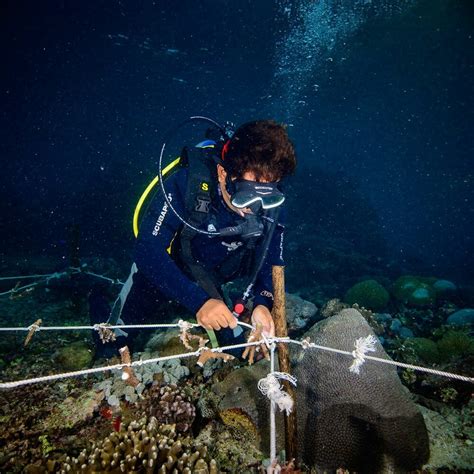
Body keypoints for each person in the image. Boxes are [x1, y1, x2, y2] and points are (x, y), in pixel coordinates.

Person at [90, 119, 297, 358]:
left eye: (268, 196)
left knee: (241, 352)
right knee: (110, 344)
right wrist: (198, 302)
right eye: (247, 195)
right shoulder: (188, 184)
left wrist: (263, 303)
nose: (256, 207)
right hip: (166, 270)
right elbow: (147, 249)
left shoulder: (274, 205)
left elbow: (272, 260)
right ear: (223, 174)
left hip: (210, 279)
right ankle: (96, 295)